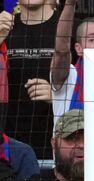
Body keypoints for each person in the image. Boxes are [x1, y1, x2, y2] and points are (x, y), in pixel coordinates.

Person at [4, 0, 60, 160]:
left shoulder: (67, 27)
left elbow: (86, 85)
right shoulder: (5, 28)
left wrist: (58, 96)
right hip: (10, 147)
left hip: (58, 148)